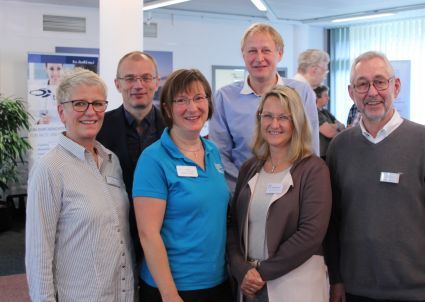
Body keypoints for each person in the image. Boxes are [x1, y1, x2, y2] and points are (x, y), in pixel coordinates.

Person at [325, 51, 425, 302]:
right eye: (362, 84)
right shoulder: (340, 147)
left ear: (396, 86)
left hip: (415, 292)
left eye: (380, 82)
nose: (372, 92)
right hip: (355, 291)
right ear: (351, 92)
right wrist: (336, 278)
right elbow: (333, 221)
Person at [25, 68, 134, 301]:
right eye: (79, 104)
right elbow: (38, 253)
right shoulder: (50, 169)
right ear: (61, 112)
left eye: (97, 104)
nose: (90, 112)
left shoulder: (111, 161)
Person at [132, 69, 233, 302]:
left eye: (199, 98)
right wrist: (169, 294)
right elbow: (148, 233)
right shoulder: (154, 159)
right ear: (167, 108)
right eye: (181, 100)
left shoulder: (213, 152)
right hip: (174, 288)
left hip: (217, 281)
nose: (192, 107)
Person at [228, 85, 332, 302]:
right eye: (268, 116)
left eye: (283, 117)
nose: (274, 124)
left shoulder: (313, 169)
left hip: (295, 285)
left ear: (296, 121)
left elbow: (311, 233)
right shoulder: (250, 167)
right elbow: (234, 226)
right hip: (251, 286)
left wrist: (262, 272)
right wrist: (242, 270)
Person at [210, 23, 319, 191]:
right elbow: (220, 156)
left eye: (266, 50)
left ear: (279, 54)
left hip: (291, 192)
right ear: (243, 55)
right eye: (252, 51)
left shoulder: (301, 92)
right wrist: (247, 190)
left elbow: (309, 148)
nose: (259, 58)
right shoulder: (224, 98)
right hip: (241, 193)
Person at [97, 51, 165, 263]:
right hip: (113, 235)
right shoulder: (99, 129)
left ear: (156, 82)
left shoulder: (175, 128)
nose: (138, 85)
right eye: (130, 78)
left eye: (146, 78)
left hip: (165, 233)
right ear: (118, 84)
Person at [314, 85, 345, 159]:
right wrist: (336, 126)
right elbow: (330, 133)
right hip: (321, 155)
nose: (328, 98)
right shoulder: (314, 113)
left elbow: (342, 126)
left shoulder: (326, 112)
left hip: (330, 152)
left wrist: (330, 125)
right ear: (317, 97)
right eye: (325, 96)